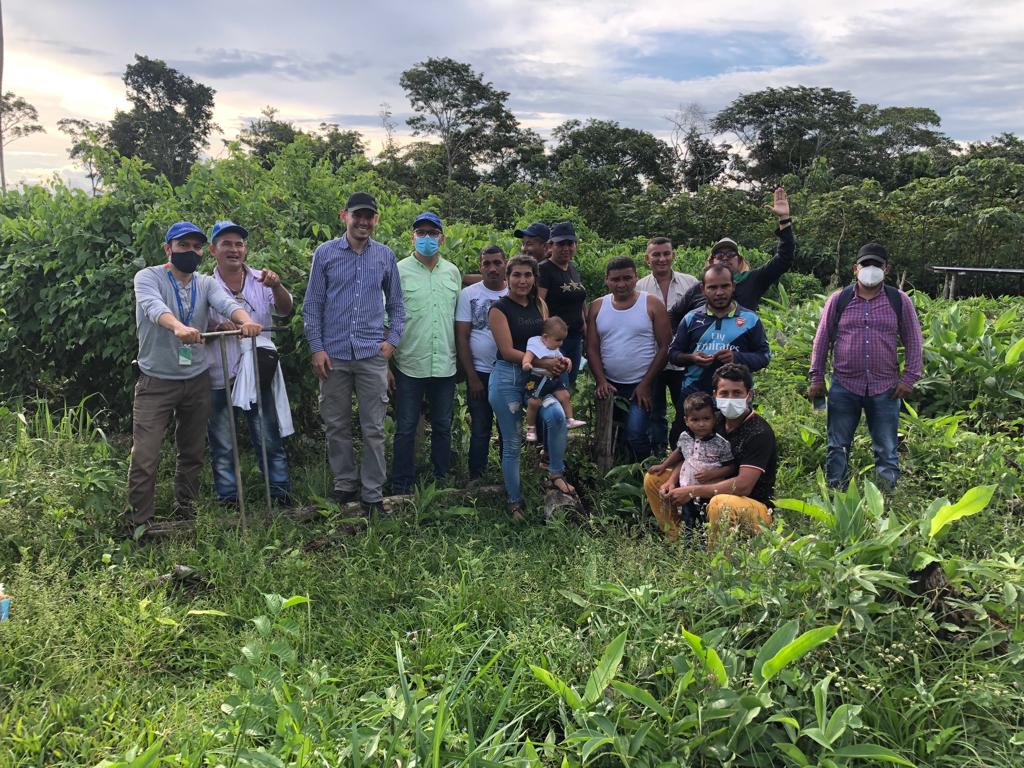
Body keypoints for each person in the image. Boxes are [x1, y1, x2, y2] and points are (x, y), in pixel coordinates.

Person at [127, 221, 262, 533]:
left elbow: (226, 304)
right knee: (145, 456)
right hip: (156, 381)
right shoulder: (148, 277)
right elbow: (152, 306)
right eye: (183, 246)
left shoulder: (205, 283)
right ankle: (138, 524)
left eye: (196, 247)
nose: (190, 252)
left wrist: (245, 321)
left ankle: (186, 512)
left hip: (197, 379)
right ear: (168, 248)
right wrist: (178, 327)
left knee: (192, 453)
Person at [303, 192, 405, 514]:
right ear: (343, 215)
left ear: (375, 219)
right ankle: (345, 484)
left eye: (369, 216)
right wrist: (317, 348)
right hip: (333, 355)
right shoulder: (326, 253)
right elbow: (312, 305)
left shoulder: (385, 256)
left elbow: (398, 306)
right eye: (357, 215)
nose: (363, 221)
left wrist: (393, 341)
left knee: (374, 427)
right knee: (336, 424)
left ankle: (373, 493)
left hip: (371, 353)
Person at [808, 243, 923, 489]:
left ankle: (886, 498)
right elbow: (823, 338)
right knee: (837, 446)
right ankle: (836, 494)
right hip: (844, 385)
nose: (871, 270)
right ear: (855, 269)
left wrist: (909, 378)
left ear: (886, 268)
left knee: (887, 448)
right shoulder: (839, 299)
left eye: (877, 265)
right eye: (865, 264)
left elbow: (914, 340)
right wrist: (816, 378)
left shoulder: (898, 300)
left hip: (885, 387)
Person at [206, 220, 294, 505]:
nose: (234, 249)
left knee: (268, 435)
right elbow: (196, 328)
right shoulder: (204, 285)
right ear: (213, 250)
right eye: (226, 244)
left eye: (239, 244)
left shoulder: (261, 279)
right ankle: (229, 498)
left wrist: (277, 285)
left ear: (245, 249)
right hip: (219, 373)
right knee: (222, 441)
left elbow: (285, 310)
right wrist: (216, 330)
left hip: (257, 371)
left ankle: (279, 495)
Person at [643, 363, 777, 547]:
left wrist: (691, 491)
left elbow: (744, 486)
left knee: (721, 504)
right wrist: (672, 481)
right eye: (724, 393)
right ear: (715, 395)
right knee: (654, 479)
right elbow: (691, 455)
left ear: (749, 395)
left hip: (752, 506)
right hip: (709, 491)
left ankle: (716, 563)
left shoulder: (758, 433)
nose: (730, 398)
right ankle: (677, 539)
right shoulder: (713, 421)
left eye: (737, 393)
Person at [488, 254, 573, 520]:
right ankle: (515, 502)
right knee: (512, 442)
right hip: (508, 379)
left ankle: (556, 472)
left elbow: (550, 342)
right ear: (507, 278)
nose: (522, 280)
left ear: (534, 278)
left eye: (528, 275)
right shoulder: (498, 309)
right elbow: (506, 349)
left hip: (539, 379)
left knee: (557, 416)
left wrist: (559, 361)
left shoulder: (540, 305)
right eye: (516, 275)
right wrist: (544, 362)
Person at [391, 212, 461, 494]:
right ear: (413, 237)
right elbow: (388, 317)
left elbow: (458, 319)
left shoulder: (452, 272)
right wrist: (385, 364)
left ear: (442, 238)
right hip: (409, 362)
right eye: (421, 233)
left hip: (445, 362)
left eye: (433, 233)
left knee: (443, 425)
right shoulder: (398, 270)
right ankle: (402, 483)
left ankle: (441, 480)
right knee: (406, 427)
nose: (427, 238)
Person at [667, 264, 771, 442]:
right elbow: (673, 354)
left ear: (733, 286)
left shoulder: (750, 319)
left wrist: (736, 358)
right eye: (713, 287)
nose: (719, 292)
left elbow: (764, 356)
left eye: (724, 286)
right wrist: (692, 358)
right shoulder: (691, 318)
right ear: (703, 289)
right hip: (694, 393)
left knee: (735, 444)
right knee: (683, 441)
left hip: (734, 397)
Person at [586, 256, 672, 460]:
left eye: (627, 278)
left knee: (636, 433)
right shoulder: (598, 306)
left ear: (636, 278)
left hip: (642, 384)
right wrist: (601, 380)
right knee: (611, 434)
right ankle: (615, 474)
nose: (621, 284)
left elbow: (665, 346)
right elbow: (591, 347)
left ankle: (645, 474)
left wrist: (646, 384)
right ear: (606, 280)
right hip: (611, 384)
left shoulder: (651, 303)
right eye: (615, 279)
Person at [668, 187, 794, 325]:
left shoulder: (752, 281)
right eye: (719, 254)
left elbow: (784, 259)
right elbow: (672, 315)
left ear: (739, 260)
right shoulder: (698, 289)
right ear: (711, 261)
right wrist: (679, 341)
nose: (725, 258)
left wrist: (784, 219)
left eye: (731, 254)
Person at [636, 236, 699, 451]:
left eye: (666, 254)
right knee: (654, 411)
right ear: (647, 258)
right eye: (656, 254)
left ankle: (684, 452)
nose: (661, 259)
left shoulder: (690, 283)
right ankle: (657, 454)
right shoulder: (639, 287)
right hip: (651, 360)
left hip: (683, 360)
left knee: (686, 409)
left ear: (674, 255)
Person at [455, 245, 509, 480]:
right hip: (480, 373)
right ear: (480, 266)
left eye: (497, 262)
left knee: (508, 428)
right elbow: (462, 337)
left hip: (509, 373)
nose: (492, 268)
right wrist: (472, 377)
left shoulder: (514, 293)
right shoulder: (469, 294)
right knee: (480, 427)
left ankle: (509, 473)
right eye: (486, 263)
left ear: (506, 264)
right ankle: (476, 476)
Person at [648, 391, 734, 530]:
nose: (701, 424)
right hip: (686, 488)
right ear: (686, 421)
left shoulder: (721, 443)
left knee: (706, 521)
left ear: (714, 419)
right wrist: (664, 465)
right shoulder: (685, 437)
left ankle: (706, 545)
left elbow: (730, 467)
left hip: (710, 492)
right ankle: (685, 544)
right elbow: (679, 453)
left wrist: (713, 474)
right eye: (695, 420)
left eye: (706, 419)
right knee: (689, 521)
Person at [538, 222, 587, 387]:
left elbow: (579, 299)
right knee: (560, 385)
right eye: (561, 244)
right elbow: (540, 304)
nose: (566, 248)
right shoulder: (544, 270)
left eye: (570, 243)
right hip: (556, 340)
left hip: (575, 337)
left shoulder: (572, 268)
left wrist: (585, 326)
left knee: (570, 384)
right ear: (551, 246)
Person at [522, 316, 586, 442]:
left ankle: (570, 419)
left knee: (565, 395)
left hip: (552, 379)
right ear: (545, 337)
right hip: (537, 379)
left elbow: (561, 357)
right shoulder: (535, 343)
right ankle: (530, 428)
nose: (561, 344)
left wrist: (567, 361)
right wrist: (526, 364)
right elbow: (527, 356)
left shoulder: (554, 347)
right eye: (558, 340)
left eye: (562, 340)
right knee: (533, 403)